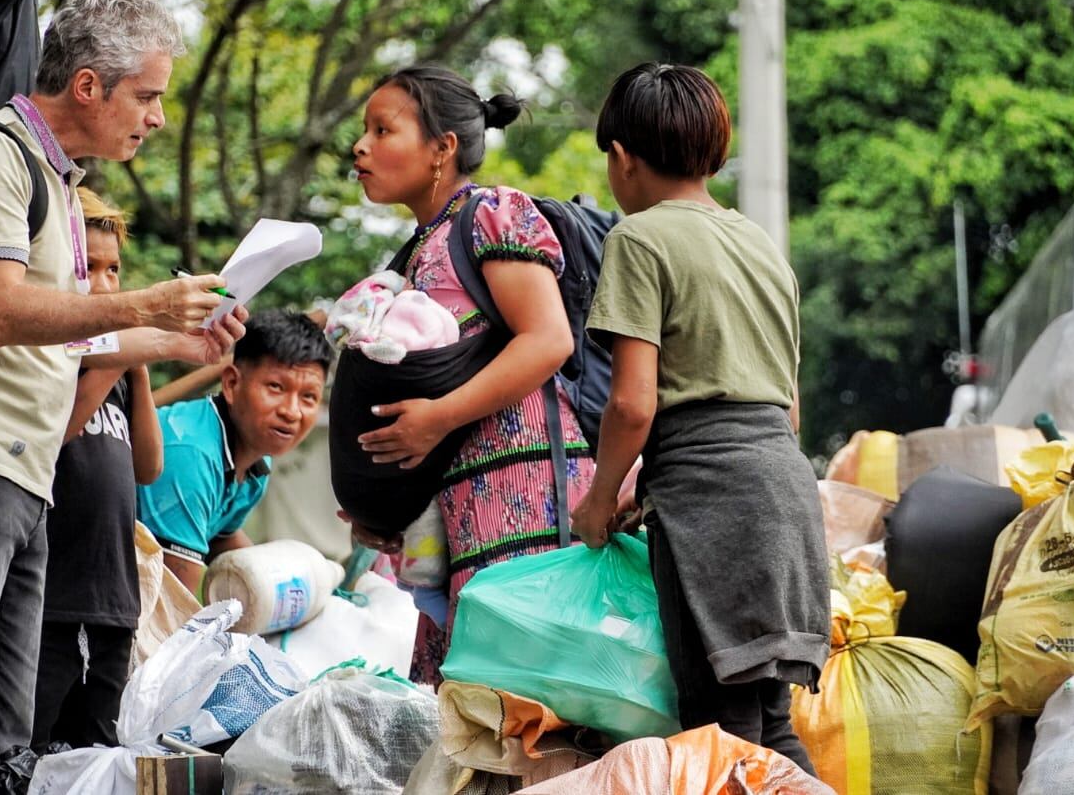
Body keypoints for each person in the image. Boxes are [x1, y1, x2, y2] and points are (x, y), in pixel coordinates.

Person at [0, 0, 246, 795]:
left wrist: (180, 337)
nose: (158, 117)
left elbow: (70, 330)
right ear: (90, 85)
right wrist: (143, 301)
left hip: (24, 479)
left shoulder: (58, 182)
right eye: (149, 95)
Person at [570, 62, 830, 772]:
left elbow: (632, 402)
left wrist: (598, 499)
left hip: (711, 506)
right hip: (783, 493)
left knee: (720, 735)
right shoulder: (761, 247)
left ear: (621, 158)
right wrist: (642, 487)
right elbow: (788, 405)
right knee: (767, 727)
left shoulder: (640, 237)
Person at [344, 65, 595, 684]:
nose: (361, 146)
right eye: (364, 131)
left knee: (525, 706)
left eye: (383, 129)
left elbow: (547, 339)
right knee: (472, 714)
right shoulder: (414, 250)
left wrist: (437, 419)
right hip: (456, 511)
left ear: (442, 148)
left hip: (525, 502)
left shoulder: (491, 215)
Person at [31, 188, 162, 751]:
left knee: (98, 748)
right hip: (53, 600)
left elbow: (148, 468)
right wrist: (114, 358)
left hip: (113, 600)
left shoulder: (118, 375)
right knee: (31, 741)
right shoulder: (57, 363)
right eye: (92, 269)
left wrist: (138, 372)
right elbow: (53, 435)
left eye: (116, 270)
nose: (108, 285)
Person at [137, 310, 332, 593]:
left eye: (308, 397)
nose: (291, 412)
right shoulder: (191, 454)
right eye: (276, 387)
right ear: (231, 383)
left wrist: (289, 584)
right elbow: (175, 601)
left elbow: (221, 537)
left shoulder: (256, 458)